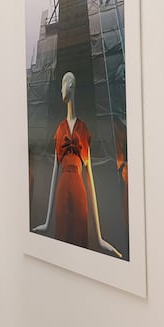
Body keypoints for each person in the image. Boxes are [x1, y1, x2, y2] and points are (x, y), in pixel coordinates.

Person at [33, 71, 121, 258]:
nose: (61, 90)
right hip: (62, 192)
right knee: (63, 243)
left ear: (70, 86)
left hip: (79, 191)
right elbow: (54, 177)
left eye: (63, 83)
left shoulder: (83, 129)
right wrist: (48, 222)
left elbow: (90, 180)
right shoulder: (59, 129)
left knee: (80, 244)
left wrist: (99, 237)